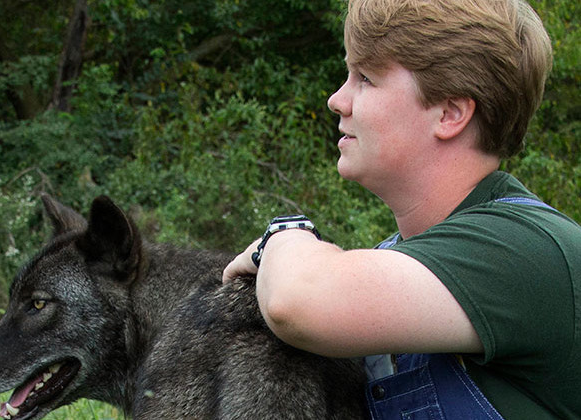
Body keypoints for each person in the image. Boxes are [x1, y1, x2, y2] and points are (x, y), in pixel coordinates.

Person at [222, 0, 581, 418]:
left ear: (449, 112)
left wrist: (285, 234)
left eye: (366, 79)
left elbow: (298, 301)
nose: (337, 100)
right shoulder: (402, 258)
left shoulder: (528, 249)